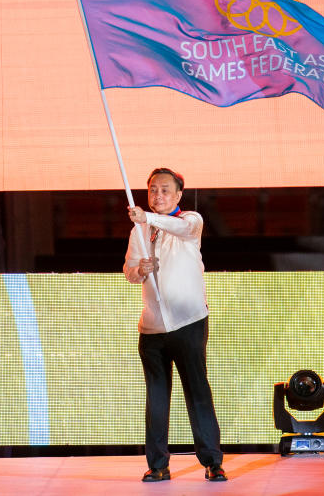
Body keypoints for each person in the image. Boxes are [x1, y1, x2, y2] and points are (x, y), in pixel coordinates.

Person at [124, 168, 225, 483]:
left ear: (179, 194)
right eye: (153, 190)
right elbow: (128, 270)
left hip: (188, 322)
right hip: (152, 327)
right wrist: (140, 269)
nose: (158, 196)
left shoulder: (190, 221)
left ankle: (212, 461)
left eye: (165, 190)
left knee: (197, 391)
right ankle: (157, 464)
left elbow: (178, 227)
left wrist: (146, 218)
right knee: (156, 398)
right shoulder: (140, 231)